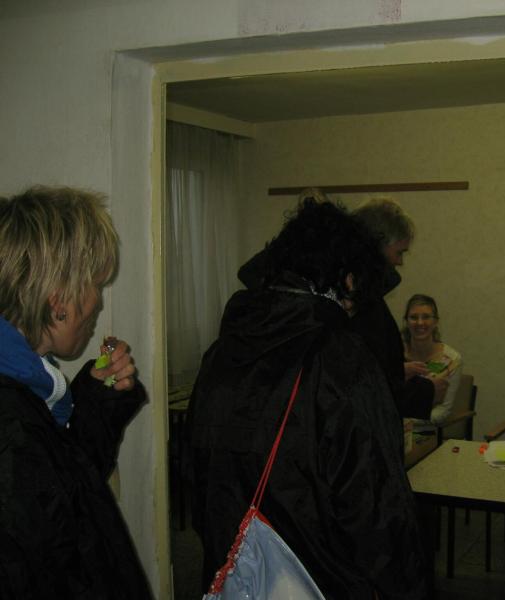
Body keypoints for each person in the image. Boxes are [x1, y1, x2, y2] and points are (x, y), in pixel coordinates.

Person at [188, 197, 428, 599]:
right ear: (347, 280)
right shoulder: (340, 358)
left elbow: (196, 467)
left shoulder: (222, 351)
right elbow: (375, 505)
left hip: (235, 566)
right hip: (319, 575)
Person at [0, 186, 152, 598]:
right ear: (59, 303)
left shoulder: (31, 387)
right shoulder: (11, 432)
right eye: (96, 285)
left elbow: (69, 497)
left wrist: (98, 400)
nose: (99, 303)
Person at [351, 198, 448, 420]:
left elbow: (369, 369)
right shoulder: (358, 303)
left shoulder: (361, 297)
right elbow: (364, 392)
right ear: (378, 246)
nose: (400, 262)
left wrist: (396, 371)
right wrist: (427, 392)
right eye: (400, 252)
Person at [402, 294, 462, 431]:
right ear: (406, 321)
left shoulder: (452, 359)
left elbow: (443, 411)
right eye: (413, 317)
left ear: (436, 322)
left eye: (426, 317)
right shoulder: (392, 355)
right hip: (391, 432)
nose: (420, 323)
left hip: (427, 432)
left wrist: (405, 419)